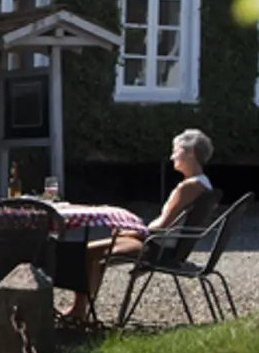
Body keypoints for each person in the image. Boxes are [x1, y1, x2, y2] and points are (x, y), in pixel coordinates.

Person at [80, 128, 216, 316]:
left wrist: (132, 232)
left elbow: (162, 226)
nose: (172, 157)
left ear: (190, 153)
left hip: (156, 248)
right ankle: (82, 310)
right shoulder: (205, 185)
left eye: (175, 151)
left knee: (86, 252)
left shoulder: (188, 187)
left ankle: (78, 311)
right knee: (98, 253)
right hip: (168, 248)